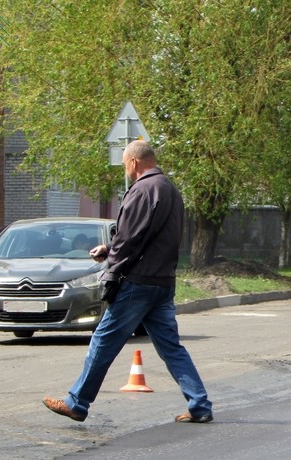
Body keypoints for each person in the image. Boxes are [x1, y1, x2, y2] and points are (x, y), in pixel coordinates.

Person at [42, 140, 213, 423]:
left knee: (103, 340)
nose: (126, 169)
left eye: (125, 164)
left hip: (138, 283)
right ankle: (200, 405)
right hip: (163, 282)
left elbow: (129, 238)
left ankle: (77, 402)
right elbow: (148, 235)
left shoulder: (142, 189)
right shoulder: (170, 189)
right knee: (171, 346)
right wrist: (109, 248)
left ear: (134, 162)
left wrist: (110, 269)